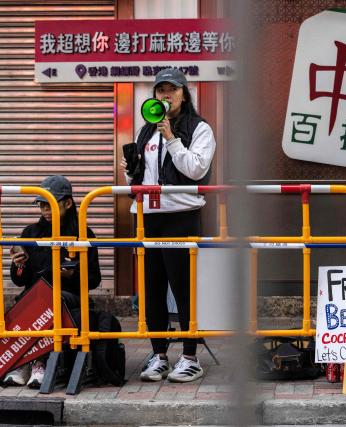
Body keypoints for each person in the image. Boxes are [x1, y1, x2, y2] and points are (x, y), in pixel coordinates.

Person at [120, 68, 216, 383]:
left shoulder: (199, 128)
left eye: (171, 90)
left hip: (181, 215)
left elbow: (196, 169)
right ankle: (159, 354)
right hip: (147, 216)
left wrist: (172, 139)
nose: (165, 95)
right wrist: (129, 169)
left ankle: (190, 357)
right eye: (160, 90)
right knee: (152, 288)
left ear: (184, 94)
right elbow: (139, 178)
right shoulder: (146, 129)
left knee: (184, 286)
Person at [3, 175, 101, 388]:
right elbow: (19, 281)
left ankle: (37, 362)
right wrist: (19, 265)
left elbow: (94, 279)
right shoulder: (30, 233)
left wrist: (72, 275)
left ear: (67, 203)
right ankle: (21, 364)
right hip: (33, 299)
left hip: (71, 298)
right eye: (41, 205)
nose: (45, 210)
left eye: (50, 205)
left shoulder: (83, 233)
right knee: (25, 303)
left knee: (48, 301)